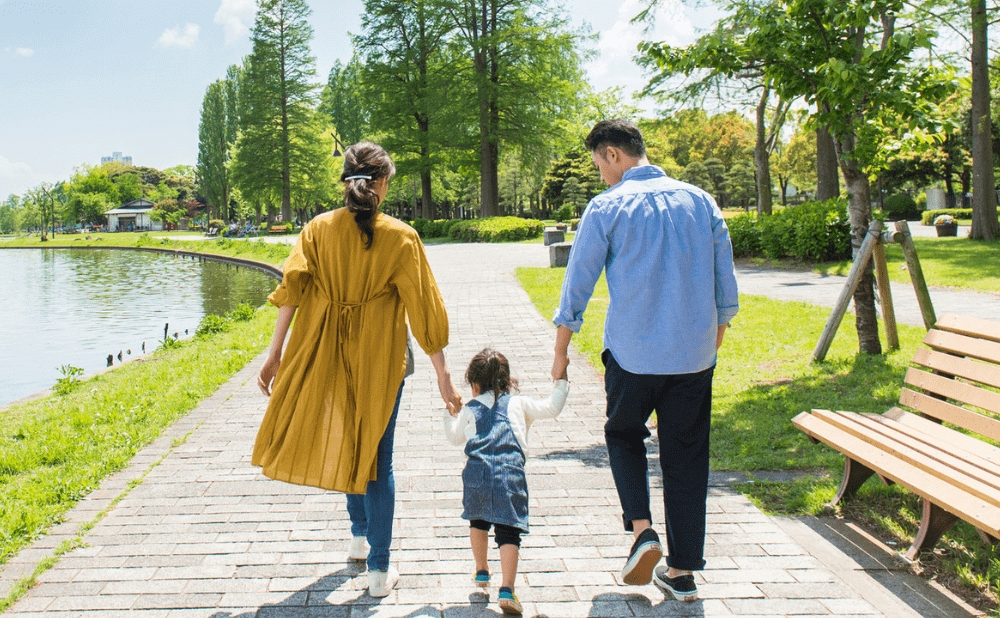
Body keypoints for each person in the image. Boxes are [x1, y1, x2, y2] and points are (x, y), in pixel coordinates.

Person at [254, 141, 463, 598]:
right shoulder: (401, 236)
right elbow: (425, 309)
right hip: (382, 357)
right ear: (382, 182)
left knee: (352, 442)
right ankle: (378, 570)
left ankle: (359, 537)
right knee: (378, 458)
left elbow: (291, 290)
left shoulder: (317, 228)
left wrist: (275, 353)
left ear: (345, 182)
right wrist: (444, 376)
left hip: (327, 349)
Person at [550, 119, 739, 601]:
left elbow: (578, 283)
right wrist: (709, 344)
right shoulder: (701, 201)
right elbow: (726, 286)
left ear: (613, 154)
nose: (600, 175)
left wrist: (560, 351)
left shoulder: (606, 206)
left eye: (599, 165)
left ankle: (642, 531)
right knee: (687, 456)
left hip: (632, 356)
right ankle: (682, 572)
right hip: (694, 356)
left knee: (623, 435)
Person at [443, 349, 569, 616]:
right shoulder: (518, 403)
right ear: (507, 380)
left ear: (474, 384)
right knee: (509, 531)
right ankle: (507, 589)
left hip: (476, 473)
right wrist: (562, 381)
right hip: (509, 474)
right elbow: (552, 407)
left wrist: (450, 413)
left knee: (477, 520)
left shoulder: (471, 408)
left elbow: (454, 438)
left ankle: (481, 569)